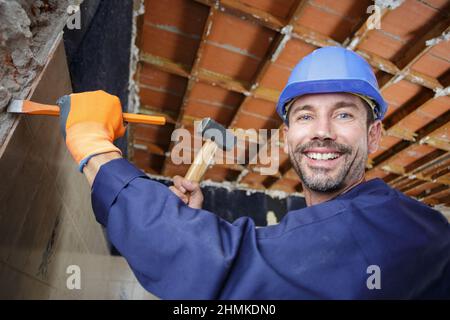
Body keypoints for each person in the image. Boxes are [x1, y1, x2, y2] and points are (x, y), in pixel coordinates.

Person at [57, 46, 450, 299]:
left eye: (344, 114)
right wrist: (192, 222)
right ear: (287, 135)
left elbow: (220, 270)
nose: (322, 132)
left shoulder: (386, 229)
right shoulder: (333, 227)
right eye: (306, 115)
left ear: (374, 133)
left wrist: (93, 146)